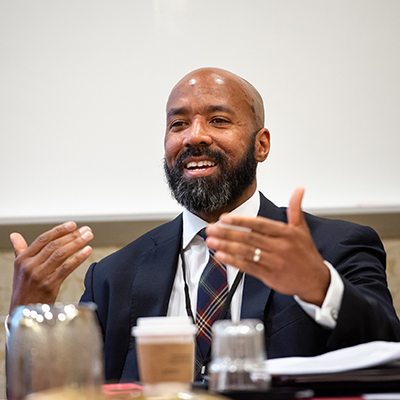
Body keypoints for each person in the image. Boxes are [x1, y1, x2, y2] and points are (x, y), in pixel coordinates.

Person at [8, 67, 400, 383]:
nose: (195, 137)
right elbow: (68, 391)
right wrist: (26, 315)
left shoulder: (337, 246)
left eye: (217, 120)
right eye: (178, 125)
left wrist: (319, 285)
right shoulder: (114, 275)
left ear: (261, 144)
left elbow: (388, 348)